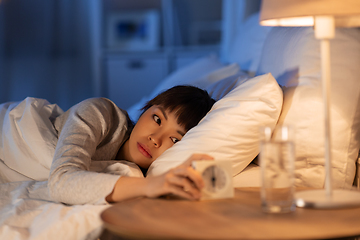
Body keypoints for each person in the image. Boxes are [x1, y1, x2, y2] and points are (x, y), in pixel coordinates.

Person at [47, 85, 216, 205]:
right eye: (157, 119)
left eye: (175, 140)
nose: (155, 139)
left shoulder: (138, 173)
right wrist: (151, 185)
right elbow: (61, 182)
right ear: (145, 109)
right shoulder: (99, 113)